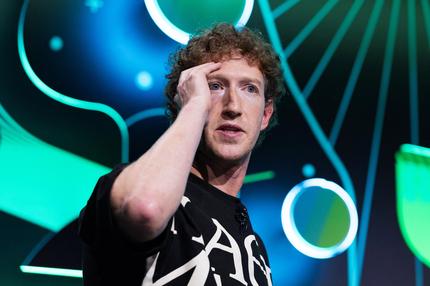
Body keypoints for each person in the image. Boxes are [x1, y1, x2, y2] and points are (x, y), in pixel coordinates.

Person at [79, 23, 285, 285]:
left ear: (265, 115)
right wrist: (196, 106)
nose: (233, 106)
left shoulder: (254, 249)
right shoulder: (130, 187)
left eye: (250, 89)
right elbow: (146, 208)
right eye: (215, 86)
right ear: (185, 96)